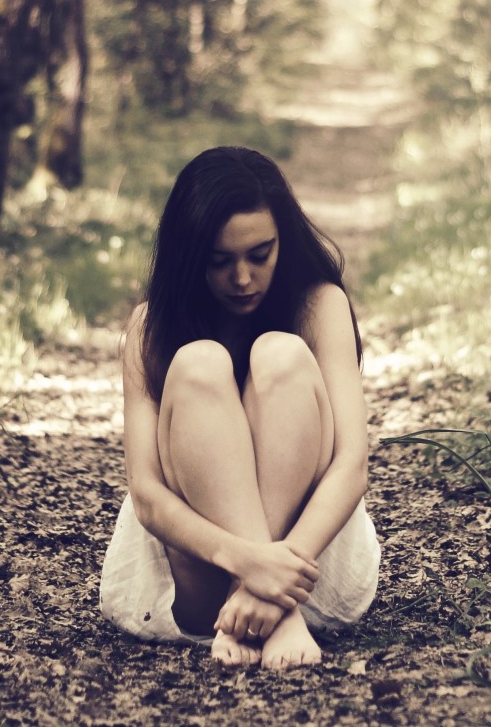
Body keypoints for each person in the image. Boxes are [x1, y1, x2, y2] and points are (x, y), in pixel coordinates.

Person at [98, 146, 379, 668]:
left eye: (260, 254)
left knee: (280, 354)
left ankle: (269, 608)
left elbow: (352, 466)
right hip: (198, 576)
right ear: (189, 256)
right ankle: (268, 606)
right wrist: (251, 563)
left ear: (284, 243)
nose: (243, 279)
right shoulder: (149, 328)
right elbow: (148, 495)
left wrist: (278, 575)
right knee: (199, 364)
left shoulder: (319, 305)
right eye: (219, 261)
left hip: (309, 570)